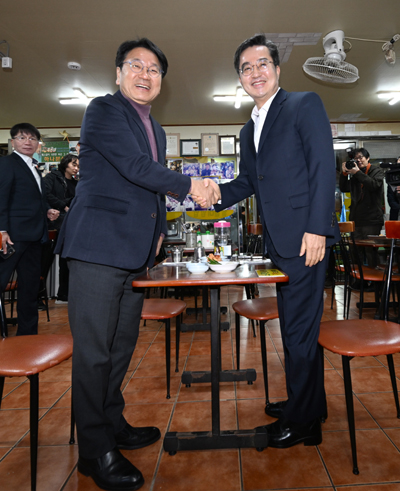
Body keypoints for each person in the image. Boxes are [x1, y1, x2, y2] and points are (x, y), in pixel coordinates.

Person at [55, 38, 212, 491]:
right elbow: (133, 166)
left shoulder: (156, 128)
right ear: (119, 73)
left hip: (134, 253)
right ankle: (94, 451)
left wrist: (159, 229)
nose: (146, 74)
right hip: (97, 248)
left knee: (121, 346)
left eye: (155, 69)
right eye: (136, 65)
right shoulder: (104, 110)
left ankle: (111, 422)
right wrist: (191, 185)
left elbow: (148, 186)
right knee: (94, 353)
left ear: (161, 81)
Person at [205, 34, 339, 448]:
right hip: (279, 244)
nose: (255, 72)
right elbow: (248, 181)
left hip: (306, 239)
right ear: (240, 78)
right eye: (246, 68)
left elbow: (323, 167)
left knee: (298, 332)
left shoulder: (303, 104)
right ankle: (308, 404)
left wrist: (317, 228)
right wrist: (212, 193)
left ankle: (303, 423)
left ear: (277, 69)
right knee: (297, 328)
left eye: (262, 63)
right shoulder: (249, 129)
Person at [0, 123, 60, 335]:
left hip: (35, 236)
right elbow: (1, 197)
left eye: (32, 139)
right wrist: (2, 230)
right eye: (22, 138)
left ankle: (27, 335)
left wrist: (47, 210)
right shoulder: (6, 163)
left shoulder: (34, 166)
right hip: (12, 237)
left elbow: (32, 199)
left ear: (38, 144)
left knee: (30, 289)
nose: (27, 142)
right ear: (13, 142)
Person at [339, 148, 384, 267]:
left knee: (370, 253)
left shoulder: (376, 171)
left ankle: (374, 278)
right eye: (356, 158)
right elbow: (344, 188)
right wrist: (344, 174)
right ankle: (357, 278)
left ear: (367, 158)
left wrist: (357, 172)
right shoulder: (355, 175)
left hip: (372, 220)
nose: (358, 161)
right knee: (354, 252)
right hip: (356, 219)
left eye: (360, 158)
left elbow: (374, 185)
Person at [44, 153, 79, 303]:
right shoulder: (52, 177)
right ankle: (39, 296)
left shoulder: (76, 184)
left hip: (70, 225)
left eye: (78, 166)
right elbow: (45, 194)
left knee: (66, 260)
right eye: (74, 164)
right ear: (65, 164)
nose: (76, 168)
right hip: (53, 224)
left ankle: (63, 293)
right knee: (45, 262)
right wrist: (63, 205)